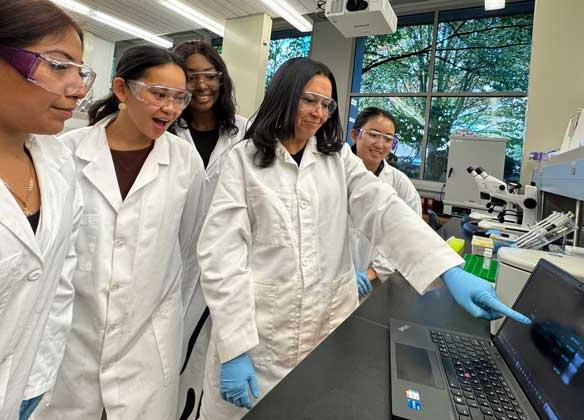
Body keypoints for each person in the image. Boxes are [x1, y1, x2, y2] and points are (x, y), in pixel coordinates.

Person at [195, 57, 531, 419]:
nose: (319, 113)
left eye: (327, 104)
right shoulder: (243, 161)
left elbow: (382, 208)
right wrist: (234, 346)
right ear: (284, 95)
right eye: (309, 100)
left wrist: (448, 269)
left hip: (326, 328)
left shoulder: (336, 157)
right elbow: (222, 256)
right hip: (260, 337)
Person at [31, 46, 206, 420]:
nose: (171, 109)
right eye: (159, 95)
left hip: (148, 345)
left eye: (179, 98)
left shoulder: (185, 161)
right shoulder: (65, 154)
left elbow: (190, 248)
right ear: (122, 90)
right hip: (72, 344)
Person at [0, 1, 93, 419]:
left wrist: (37, 381)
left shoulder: (57, 164)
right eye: (58, 66)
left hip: (28, 386)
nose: (79, 88)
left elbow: (58, 283)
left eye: (80, 71)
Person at [171, 40, 248, 419]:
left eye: (210, 75)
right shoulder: (165, 130)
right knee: (163, 359)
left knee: (204, 359)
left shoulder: (245, 135)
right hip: (167, 261)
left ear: (222, 79)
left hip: (224, 265)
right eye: (190, 76)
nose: (201, 85)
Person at [349, 107, 423, 296]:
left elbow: (409, 238)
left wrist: (373, 272)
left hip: (373, 284)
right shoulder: (330, 174)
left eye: (388, 139)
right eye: (373, 135)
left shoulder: (400, 184)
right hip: (329, 281)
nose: (380, 144)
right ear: (355, 135)